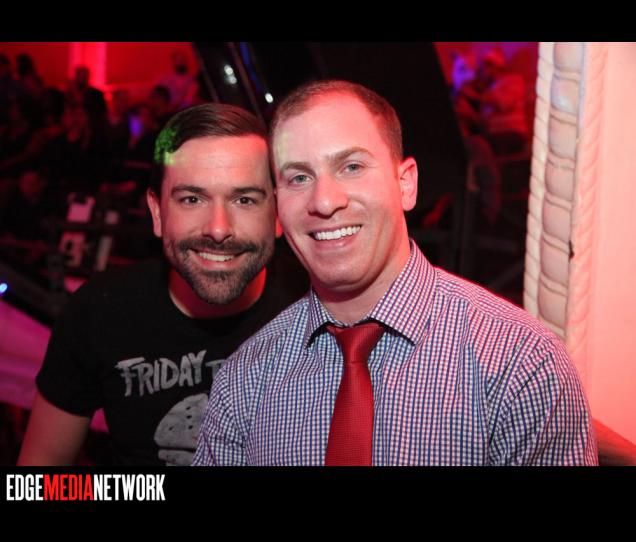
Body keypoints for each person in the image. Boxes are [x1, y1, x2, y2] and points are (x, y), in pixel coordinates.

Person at [193, 80, 598, 466]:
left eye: (351, 166)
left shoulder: (520, 363)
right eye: (299, 177)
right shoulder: (248, 377)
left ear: (406, 184)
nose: (325, 201)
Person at [17, 103, 308, 466]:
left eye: (244, 199)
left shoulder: (320, 306)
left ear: (278, 214)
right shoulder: (99, 312)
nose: (218, 228)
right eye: (192, 199)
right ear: (157, 213)